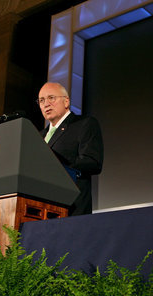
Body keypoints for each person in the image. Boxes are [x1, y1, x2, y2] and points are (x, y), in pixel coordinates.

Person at [37, 82, 104, 215]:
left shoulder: (84, 124)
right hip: (42, 209)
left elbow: (93, 162)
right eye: (41, 100)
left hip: (72, 209)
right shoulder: (38, 136)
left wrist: (58, 165)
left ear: (66, 102)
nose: (46, 104)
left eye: (51, 98)